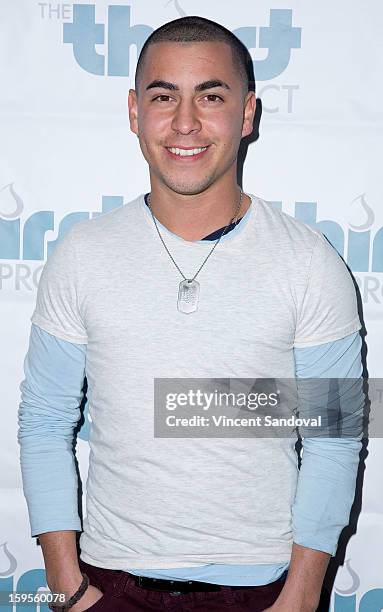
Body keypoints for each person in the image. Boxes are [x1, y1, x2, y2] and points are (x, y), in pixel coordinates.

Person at [18, 15, 364, 612]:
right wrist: (66, 587)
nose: (185, 123)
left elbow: (335, 436)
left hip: (265, 591)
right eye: (163, 96)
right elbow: (44, 424)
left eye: (211, 95)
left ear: (247, 113)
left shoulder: (309, 263)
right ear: (133, 111)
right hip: (107, 584)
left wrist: (302, 597)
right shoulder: (81, 256)